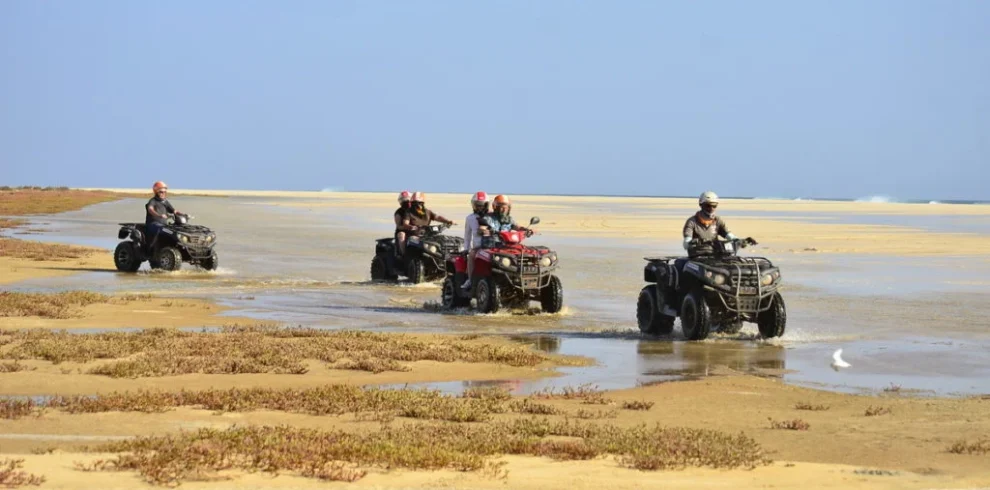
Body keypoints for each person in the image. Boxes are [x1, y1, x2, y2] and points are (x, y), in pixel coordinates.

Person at [682, 191, 740, 255]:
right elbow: (686, 244)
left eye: (714, 206)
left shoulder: (717, 220)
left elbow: (728, 235)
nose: (711, 208)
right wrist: (693, 242)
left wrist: (740, 241)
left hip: (715, 254)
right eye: (708, 205)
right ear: (701, 204)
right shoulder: (692, 222)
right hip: (697, 256)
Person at [461, 191, 490, 290]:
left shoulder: (491, 217)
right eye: (477, 205)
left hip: (492, 246)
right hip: (478, 247)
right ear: (473, 205)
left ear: (486, 205)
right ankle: (470, 279)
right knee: (471, 256)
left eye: (482, 206)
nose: (480, 208)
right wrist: (466, 249)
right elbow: (467, 235)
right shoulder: (470, 218)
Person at [145, 181, 178, 245]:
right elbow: (150, 209)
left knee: (175, 230)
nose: (163, 193)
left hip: (163, 224)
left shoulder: (165, 201)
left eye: (165, 192)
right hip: (153, 224)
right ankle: (152, 246)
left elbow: (174, 211)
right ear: (156, 192)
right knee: (162, 228)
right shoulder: (153, 201)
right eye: (161, 192)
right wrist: (159, 215)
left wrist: (183, 215)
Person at [393, 190, 413, 257]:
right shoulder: (398, 212)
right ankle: (404, 255)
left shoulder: (415, 210)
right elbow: (399, 226)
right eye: (404, 201)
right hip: (403, 231)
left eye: (408, 200)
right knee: (402, 235)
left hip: (416, 231)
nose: (406, 202)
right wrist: (409, 227)